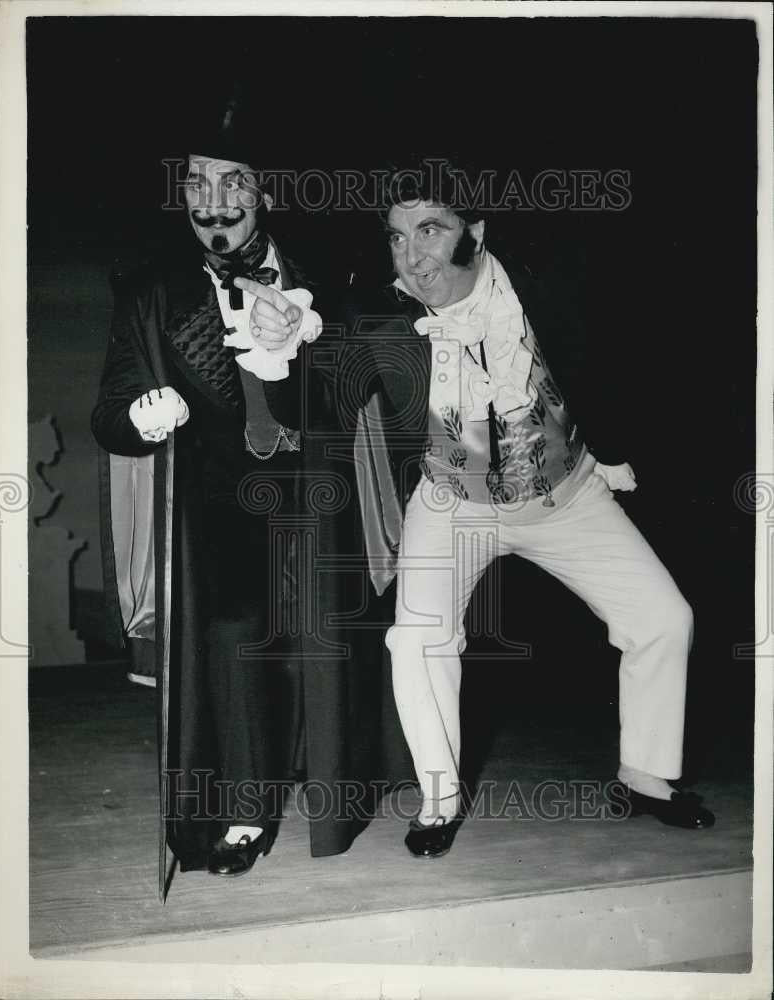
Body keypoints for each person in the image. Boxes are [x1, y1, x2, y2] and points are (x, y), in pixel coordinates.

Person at [241, 159, 715, 861]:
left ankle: (646, 774)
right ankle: (438, 798)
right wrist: (277, 350)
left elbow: (613, 356)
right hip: (451, 499)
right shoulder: (380, 313)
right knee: (417, 639)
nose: (412, 254)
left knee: (664, 620)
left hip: (564, 494)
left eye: (430, 230)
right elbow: (324, 407)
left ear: (476, 232)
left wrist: (613, 448)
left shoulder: (546, 281)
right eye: (398, 237)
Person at [91, 92, 401, 892]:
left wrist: (310, 341)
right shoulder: (150, 292)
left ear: (262, 192)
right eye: (198, 183)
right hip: (218, 505)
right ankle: (244, 806)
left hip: (312, 495)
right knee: (233, 647)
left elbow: (364, 387)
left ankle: (333, 793)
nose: (214, 203)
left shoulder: (325, 278)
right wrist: (140, 413)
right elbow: (110, 413)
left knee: (321, 650)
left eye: (233, 183)